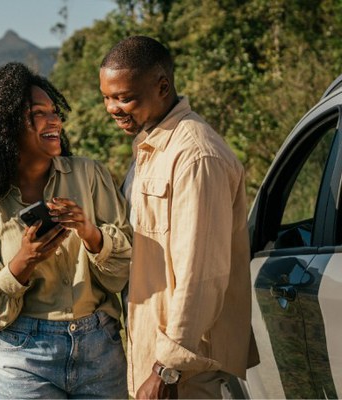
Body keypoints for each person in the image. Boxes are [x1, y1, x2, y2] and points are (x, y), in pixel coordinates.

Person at [0, 62, 132, 399]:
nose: (55, 120)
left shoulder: (90, 175)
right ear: (5, 126)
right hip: (21, 356)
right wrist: (23, 261)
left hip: (100, 348)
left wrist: (89, 232)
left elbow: (123, 272)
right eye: (39, 113)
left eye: (54, 111)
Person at [99, 36, 258, 399]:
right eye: (107, 97)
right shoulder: (151, 146)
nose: (112, 108)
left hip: (181, 368)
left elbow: (202, 274)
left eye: (124, 97)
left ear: (163, 86)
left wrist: (167, 368)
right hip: (153, 349)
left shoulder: (197, 157)